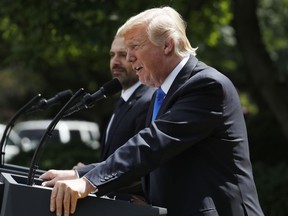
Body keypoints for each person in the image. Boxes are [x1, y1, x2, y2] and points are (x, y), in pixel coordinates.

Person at [40, 6, 264, 216]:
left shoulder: (206, 85)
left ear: (167, 45)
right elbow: (154, 159)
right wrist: (79, 173)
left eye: (135, 47)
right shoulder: (161, 93)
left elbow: (152, 145)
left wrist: (87, 183)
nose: (128, 58)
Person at [74, 35, 155, 200]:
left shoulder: (149, 101)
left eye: (123, 54)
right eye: (112, 55)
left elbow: (142, 164)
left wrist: (84, 176)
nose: (115, 62)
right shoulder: (123, 99)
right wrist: (89, 171)